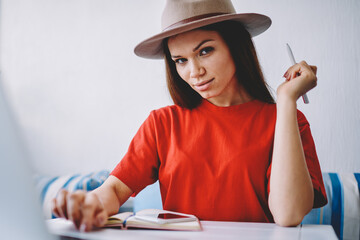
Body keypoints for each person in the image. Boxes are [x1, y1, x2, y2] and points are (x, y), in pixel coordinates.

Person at [52, 0, 327, 231]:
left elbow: (289, 215)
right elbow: (112, 191)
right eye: (180, 60)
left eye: (205, 51)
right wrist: (87, 204)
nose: (193, 72)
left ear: (235, 46)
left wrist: (287, 99)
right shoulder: (162, 124)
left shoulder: (287, 122)